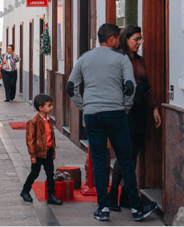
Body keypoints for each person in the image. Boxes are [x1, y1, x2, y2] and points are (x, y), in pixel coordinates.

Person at [67, 23, 158, 222]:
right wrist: (124, 108)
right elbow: (130, 87)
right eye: (118, 37)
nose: (119, 41)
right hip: (116, 114)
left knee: (99, 162)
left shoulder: (84, 58)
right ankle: (136, 208)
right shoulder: (121, 58)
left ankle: (103, 208)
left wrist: (85, 106)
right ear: (112, 38)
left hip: (93, 115)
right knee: (125, 160)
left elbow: (70, 86)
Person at [110, 26, 162, 210]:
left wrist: (154, 107)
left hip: (139, 110)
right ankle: (112, 195)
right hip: (124, 109)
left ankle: (124, 197)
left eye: (141, 39)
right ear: (125, 39)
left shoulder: (140, 61)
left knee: (133, 155)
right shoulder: (118, 59)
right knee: (125, 154)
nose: (139, 42)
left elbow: (146, 85)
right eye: (136, 39)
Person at [20, 94, 63, 206]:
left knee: (50, 174)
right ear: (41, 108)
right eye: (49, 105)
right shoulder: (33, 121)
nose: (51, 107)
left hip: (47, 151)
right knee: (35, 173)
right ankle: (25, 190)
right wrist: (33, 155)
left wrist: (52, 152)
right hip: (38, 153)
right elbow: (30, 140)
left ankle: (51, 195)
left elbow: (51, 137)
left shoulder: (49, 120)